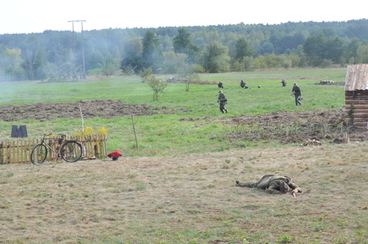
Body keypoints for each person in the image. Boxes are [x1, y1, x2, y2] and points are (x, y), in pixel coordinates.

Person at [235, 174, 302, 197]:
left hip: (275, 176)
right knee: (256, 185)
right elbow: (269, 190)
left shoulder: (288, 181)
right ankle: (240, 184)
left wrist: (295, 190)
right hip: (268, 180)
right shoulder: (275, 184)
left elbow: (298, 188)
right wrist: (279, 193)